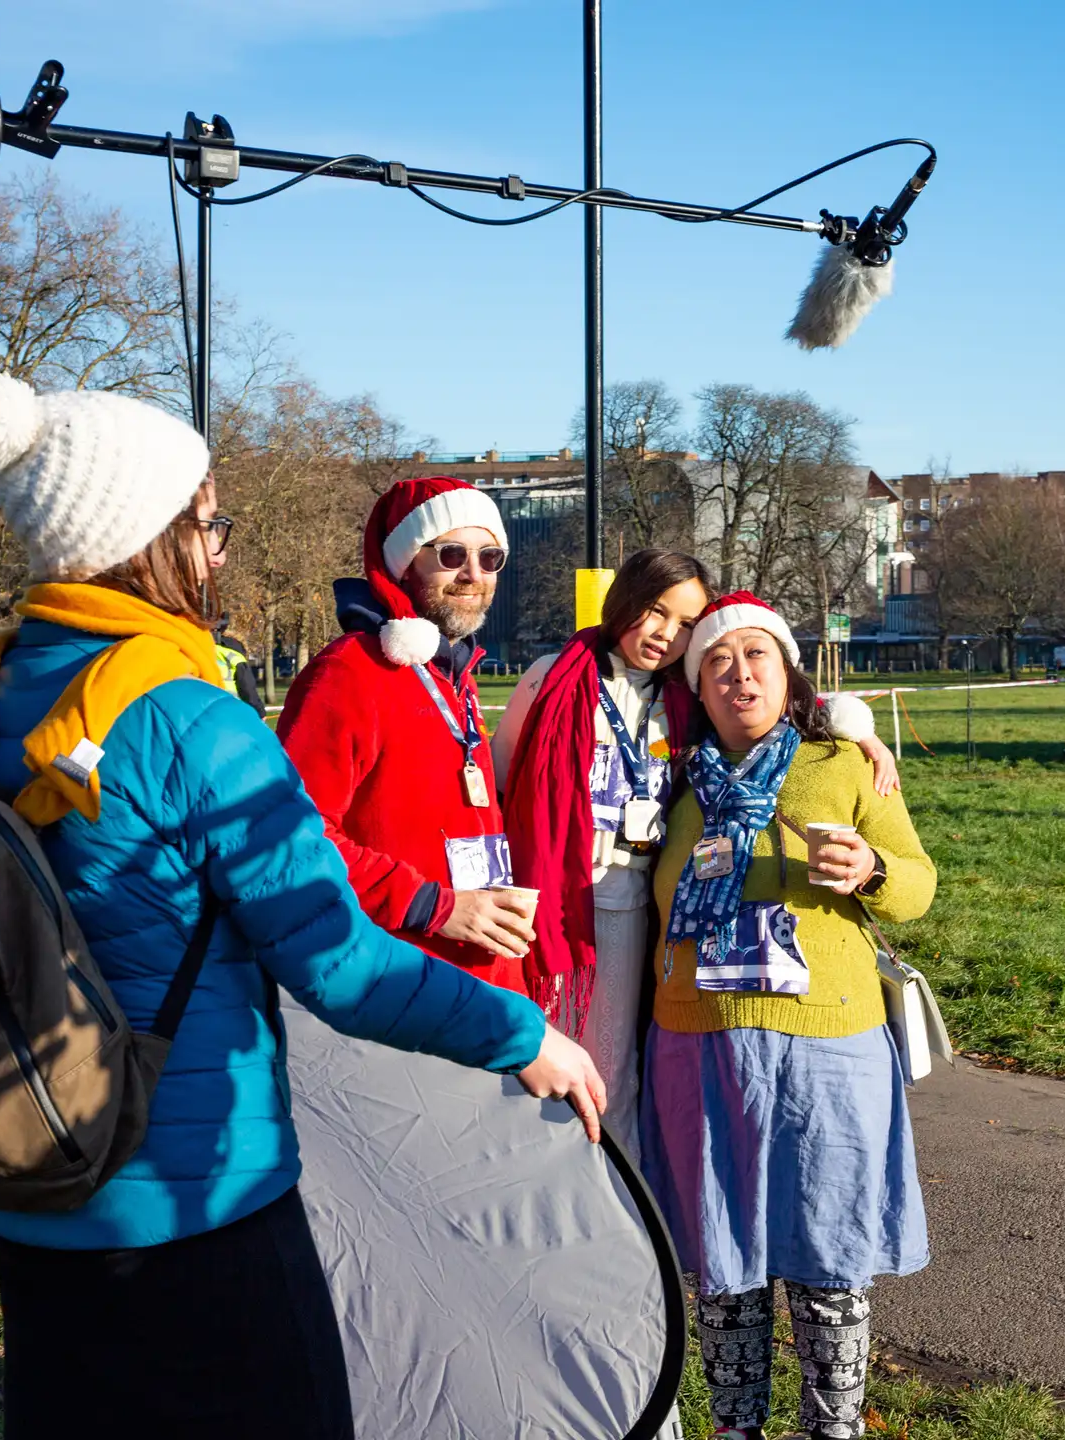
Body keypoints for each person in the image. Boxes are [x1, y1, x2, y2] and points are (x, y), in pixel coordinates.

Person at [0, 374, 605, 1440]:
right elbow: (341, 967)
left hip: (22, 1178)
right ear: (145, 536)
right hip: (193, 1196)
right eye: (206, 523)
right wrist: (524, 1035)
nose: (220, 550)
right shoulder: (191, 721)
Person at [639, 591, 936, 1440]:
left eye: (756, 656)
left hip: (828, 1047)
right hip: (699, 1045)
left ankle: (832, 1427)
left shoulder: (844, 764)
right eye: (717, 662)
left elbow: (919, 884)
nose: (739, 676)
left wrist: (873, 868)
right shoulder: (673, 780)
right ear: (698, 687)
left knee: (828, 1254)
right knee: (723, 1262)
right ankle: (737, 1428)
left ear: (787, 670)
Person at [495, 551, 899, 1156]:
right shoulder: (550, 676)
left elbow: (769, 699)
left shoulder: (682, 698)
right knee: (533, 1053)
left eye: (685, 624)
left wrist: (860, 731)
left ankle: (612, 1193)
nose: (666, 633)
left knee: (611, 1065)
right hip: (546, 896)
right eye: (655, 611)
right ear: (624, 600)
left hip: (632, 904)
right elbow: (500, 783)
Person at [278, 477, 536, 993]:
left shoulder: (456, 676)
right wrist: (433, 907)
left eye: (490, 558)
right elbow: (293, 833)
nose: (473, 574)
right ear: (404, 562)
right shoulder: (349, 672)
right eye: (451, 554)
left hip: (474, 977)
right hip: (392, 982)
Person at [212, 610, 264, 715]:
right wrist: (259, 711)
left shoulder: (191, 651)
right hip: (230, 710)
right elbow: (247, 688)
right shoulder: (234, 655)